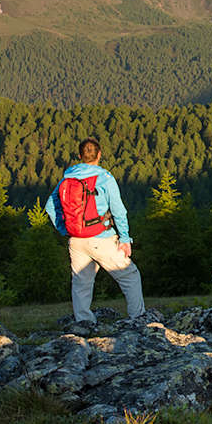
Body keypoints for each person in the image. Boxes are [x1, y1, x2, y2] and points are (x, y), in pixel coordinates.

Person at [45, 137, 146, 322]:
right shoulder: (105, 178)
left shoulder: (68, 178)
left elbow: (50, 206)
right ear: (99, 154)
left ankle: (84, 324)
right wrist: (125, 239)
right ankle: (138, 320)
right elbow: (118, 210)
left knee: (81, 284)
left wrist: (65, 229)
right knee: (130, 276)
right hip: (102, 238)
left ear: (80, 156)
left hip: (75, 239)